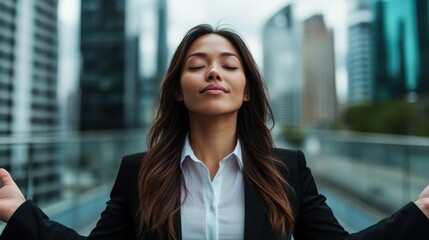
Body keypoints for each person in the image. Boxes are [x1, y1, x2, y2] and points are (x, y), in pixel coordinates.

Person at [0, 23, 428, 240]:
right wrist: (21, 214)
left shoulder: (287, 169)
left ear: (246, 92)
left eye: (229, 64)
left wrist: (418, 214)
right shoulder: (138, 171)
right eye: (196, 64)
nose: (213, 71)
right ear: (179, 92)